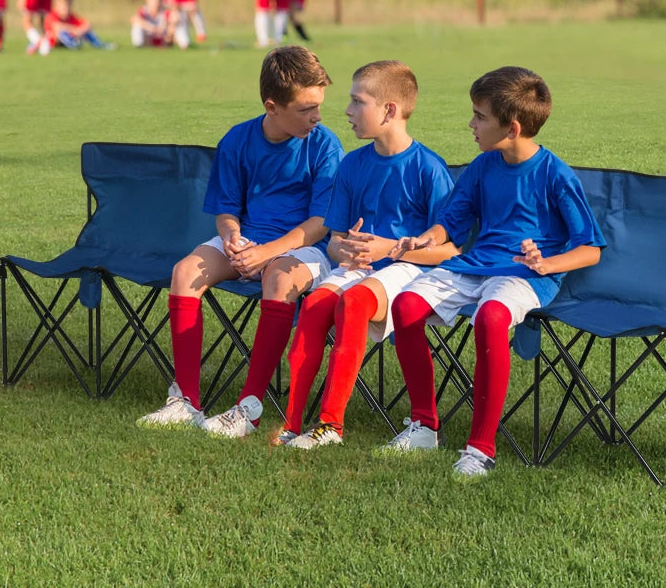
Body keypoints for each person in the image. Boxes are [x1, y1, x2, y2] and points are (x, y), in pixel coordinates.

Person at [383, 66, 605, 477]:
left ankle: (479, 449)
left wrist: (547, 263)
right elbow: (452, 221)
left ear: (513, 128)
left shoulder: (556, 174)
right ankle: (425, 425)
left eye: (480, 117)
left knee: (491, 317)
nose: (471, 124)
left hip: (524, 274)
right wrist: (425, 239)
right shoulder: (483, 166)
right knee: (407, 304)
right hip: (476, 264)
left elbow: (590, 249)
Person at [137, 45, 345, 437]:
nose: (316, 117)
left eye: (319, 106)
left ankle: (247, 409)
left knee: (280, 278)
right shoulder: (238, 140)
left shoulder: (324, 145)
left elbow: (321, 223)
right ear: (272, 106)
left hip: (305, 249)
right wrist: (232, 237)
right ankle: (186, 401)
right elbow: (226, 209)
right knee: (184, 272)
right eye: (305, 108)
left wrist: (267, 253)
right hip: (249, 243)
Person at [278, 60, 458, 449]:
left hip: (409, 269)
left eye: (358, 102)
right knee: (314, 307)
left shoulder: (429, 168)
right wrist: (343, 248)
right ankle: (292, 422)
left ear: (389, 110)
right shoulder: (353, 164)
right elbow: (334, 239)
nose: (347, 111)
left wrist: (391, 249)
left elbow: (450, 251)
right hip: (359, 267)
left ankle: (331, 425)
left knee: (355, 303)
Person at [42, 0, 114, 53]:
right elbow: (57, 26)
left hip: (72, 38)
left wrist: (79, 31)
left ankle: (99, 45)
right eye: (63, 6)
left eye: (67, 5)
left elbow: (87, 24)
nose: (65, 8)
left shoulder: (71, 17)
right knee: (62, 33)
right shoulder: (51, 16)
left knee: (87, 32)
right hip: (55, 43)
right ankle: (74, 45)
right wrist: (74, 30)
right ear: (56, 6)